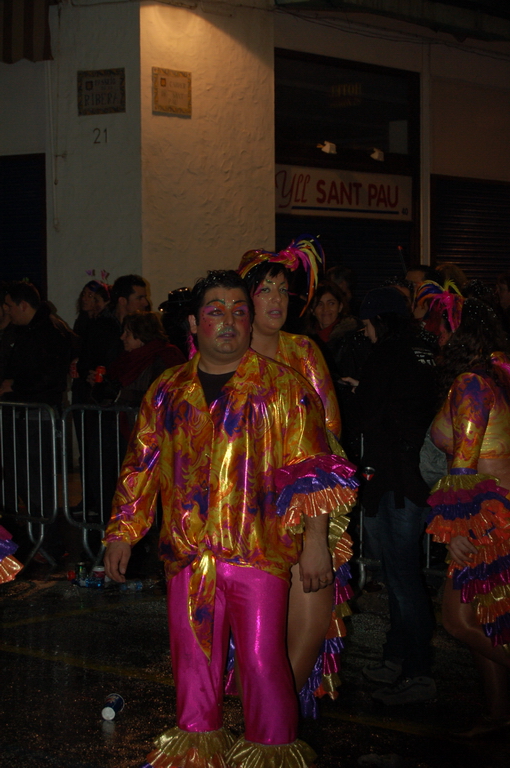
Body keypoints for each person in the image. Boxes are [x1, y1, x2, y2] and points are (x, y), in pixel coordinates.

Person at [104, 270, 356, 768]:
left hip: (257, 554)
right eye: (215, 311)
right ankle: (197, 755)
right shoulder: (167, 390)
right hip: (188, 556)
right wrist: (123, 533)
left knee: (263, 664)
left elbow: (312, 472)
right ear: (193, 324)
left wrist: (315, 542)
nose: (229, 321)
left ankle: (272, 756)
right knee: (193, 669)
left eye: (239, 311)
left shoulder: (283, 387)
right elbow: (141, 466)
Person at [238, 239, 356, 717]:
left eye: (282, 290)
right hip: (241, 523)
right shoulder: (226, 358)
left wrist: (316, 538)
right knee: (251, 653)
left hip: (305, 515)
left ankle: (274, 733)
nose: (276, 299)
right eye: (265, 289)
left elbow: (327, 443)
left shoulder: (303, 351)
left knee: (301, 646)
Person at [344, 287, 437, 705]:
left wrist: (355, 392)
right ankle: (398, 658)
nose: (365, 333)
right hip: (415, 477)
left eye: (367, 325)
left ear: (380, 321)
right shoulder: (425, 351)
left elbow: (367, 414)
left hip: (396, 479)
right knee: (404, 574)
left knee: (402, 578)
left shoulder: (387, 353)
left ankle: (417, 671)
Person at [427, 299, 510, 735]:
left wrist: (457, 527)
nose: (434, 334)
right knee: (485, 617)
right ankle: (497, 713)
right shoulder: (493, 376)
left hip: (486, 517)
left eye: (440, 327)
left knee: (457, 621)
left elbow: (463, 462)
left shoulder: (472, 384)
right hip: (494, 512)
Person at [109, 310, 185, 440]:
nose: (122, 337)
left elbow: (159, 396)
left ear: (141, 335)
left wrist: (120, 394)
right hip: (135, 430)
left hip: (158, 433)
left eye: (128, 333)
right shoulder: (127, 359)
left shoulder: (165, 357)